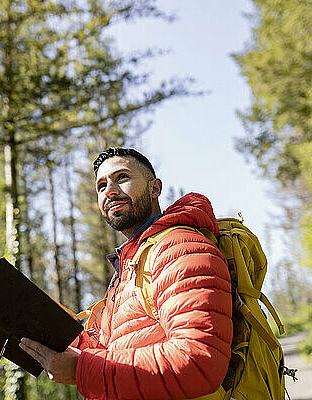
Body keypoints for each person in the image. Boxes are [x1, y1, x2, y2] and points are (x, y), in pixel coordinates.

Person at [20, 147, 233, 399]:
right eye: (101, 186)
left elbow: (198, 361)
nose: (109, 190)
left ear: (155, 189)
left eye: (122, 177)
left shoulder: (179, 247)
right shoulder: (129, 265)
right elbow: (112, 349)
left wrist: (81, 369)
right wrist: (51, 329)